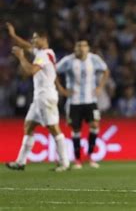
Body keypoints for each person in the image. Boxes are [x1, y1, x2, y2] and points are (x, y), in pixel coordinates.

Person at [5, 23, 70, 172]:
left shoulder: (42, 55)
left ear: (43, 39)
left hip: (45, 97)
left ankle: (64, 163)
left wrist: (21, 57)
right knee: (29, 126)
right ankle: (20, 162)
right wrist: (13, 35)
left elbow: (31, 71)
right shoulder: (48, 52)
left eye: (35, 38)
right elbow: (26, 45)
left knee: (54, 128)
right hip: (40, 97)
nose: (33, 41)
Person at [56, 39, 109, 169]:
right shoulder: (68, 60)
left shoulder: (94, 59)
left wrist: (100, 87)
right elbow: (54, 71)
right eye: (78, 46)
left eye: (84, 46)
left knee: (95, 125)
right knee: (76, 129)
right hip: (74, 102)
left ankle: (90, 156)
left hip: (90, 101)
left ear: (88, 48)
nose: (81, 48)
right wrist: (61, 90)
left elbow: (106, 71)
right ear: (75, 48)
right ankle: (78, 159)